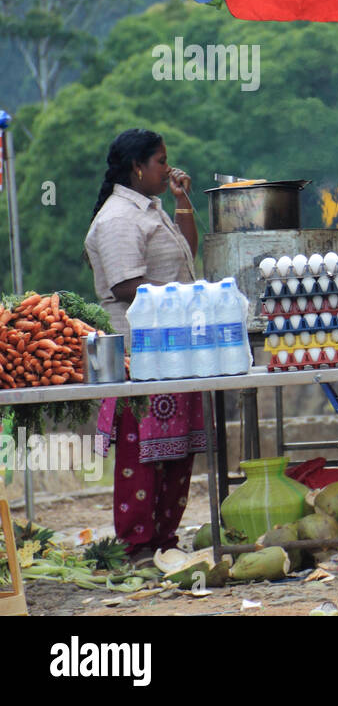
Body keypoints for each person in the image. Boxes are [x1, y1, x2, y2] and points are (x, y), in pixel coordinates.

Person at [84, 129, 205, 562]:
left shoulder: (150, 209)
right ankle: (136, 544)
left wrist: (181, 201)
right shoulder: (118, 218)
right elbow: (124, 285)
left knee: (176, 450)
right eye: (161, 161)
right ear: (137, 167)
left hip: (171, 350)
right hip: (141, 354)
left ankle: (164, 541)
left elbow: (185, 256)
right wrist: (185, 298)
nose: (168, 168)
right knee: (143, 454)